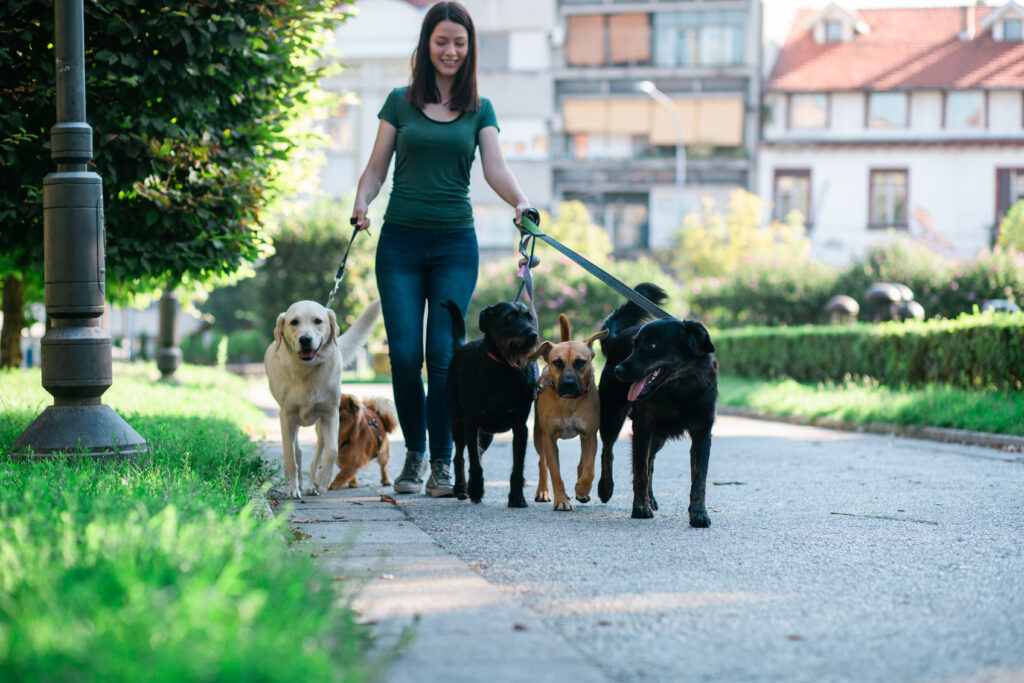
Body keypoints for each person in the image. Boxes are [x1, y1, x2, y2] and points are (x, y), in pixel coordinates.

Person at [350, 1, 531, 498]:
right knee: (406, 357)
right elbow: (375, 168)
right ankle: (415, 453)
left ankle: (445, 462)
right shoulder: (399, 101)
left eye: (459, 42)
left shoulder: (480, 109)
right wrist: (362, 201)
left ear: (469, 49)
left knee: (444, 354)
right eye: (441, 41)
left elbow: (495, 167)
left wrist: (520, 201)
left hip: (455, 244)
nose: (450, 50)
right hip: (400, 246)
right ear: (426, 45)